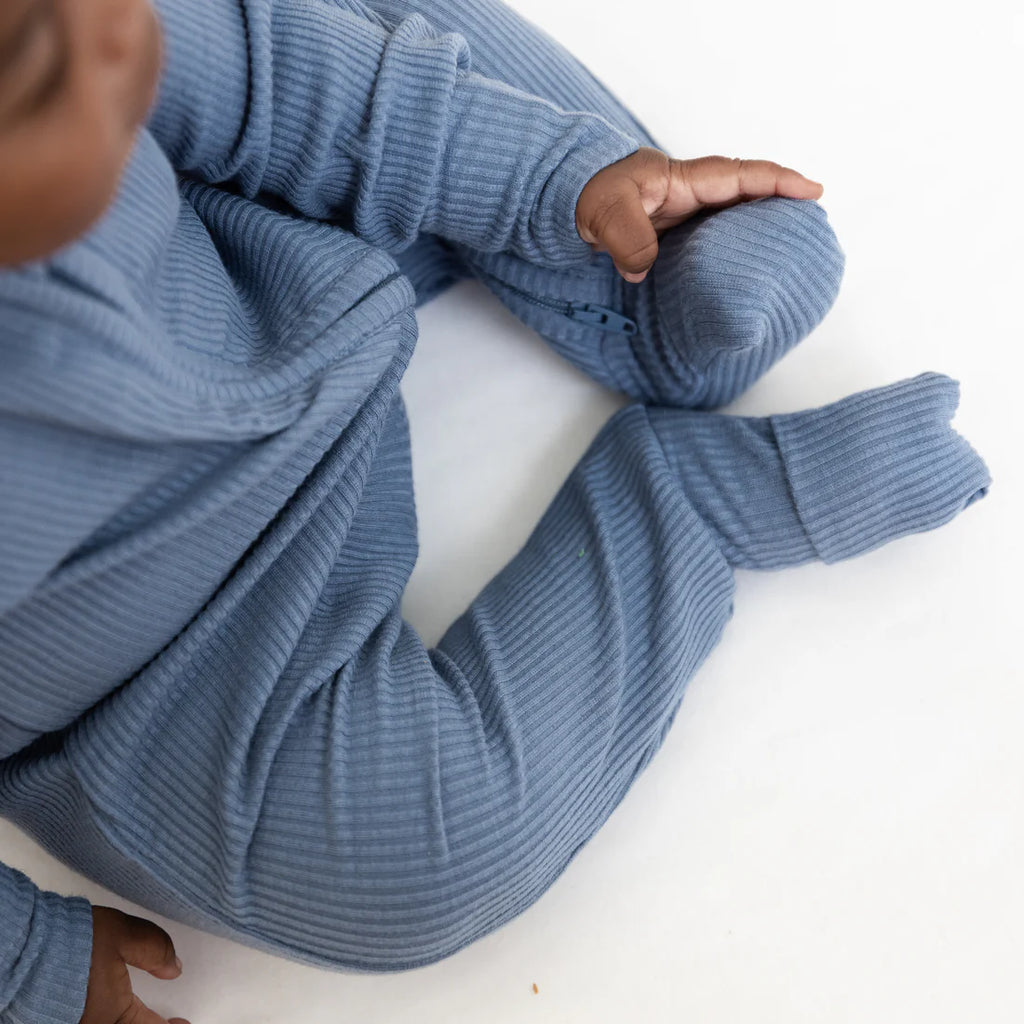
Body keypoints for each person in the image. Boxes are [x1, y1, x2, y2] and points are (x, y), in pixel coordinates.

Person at [0, 1, 990, 1023]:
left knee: (341, 72)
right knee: (416, 861)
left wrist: (558, 180)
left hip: (259, 269)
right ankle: (693, 503)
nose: (109, 30)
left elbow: (273, 73)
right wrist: (28, 964)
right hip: (160, 681)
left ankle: (643, 268)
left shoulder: (91, 34)